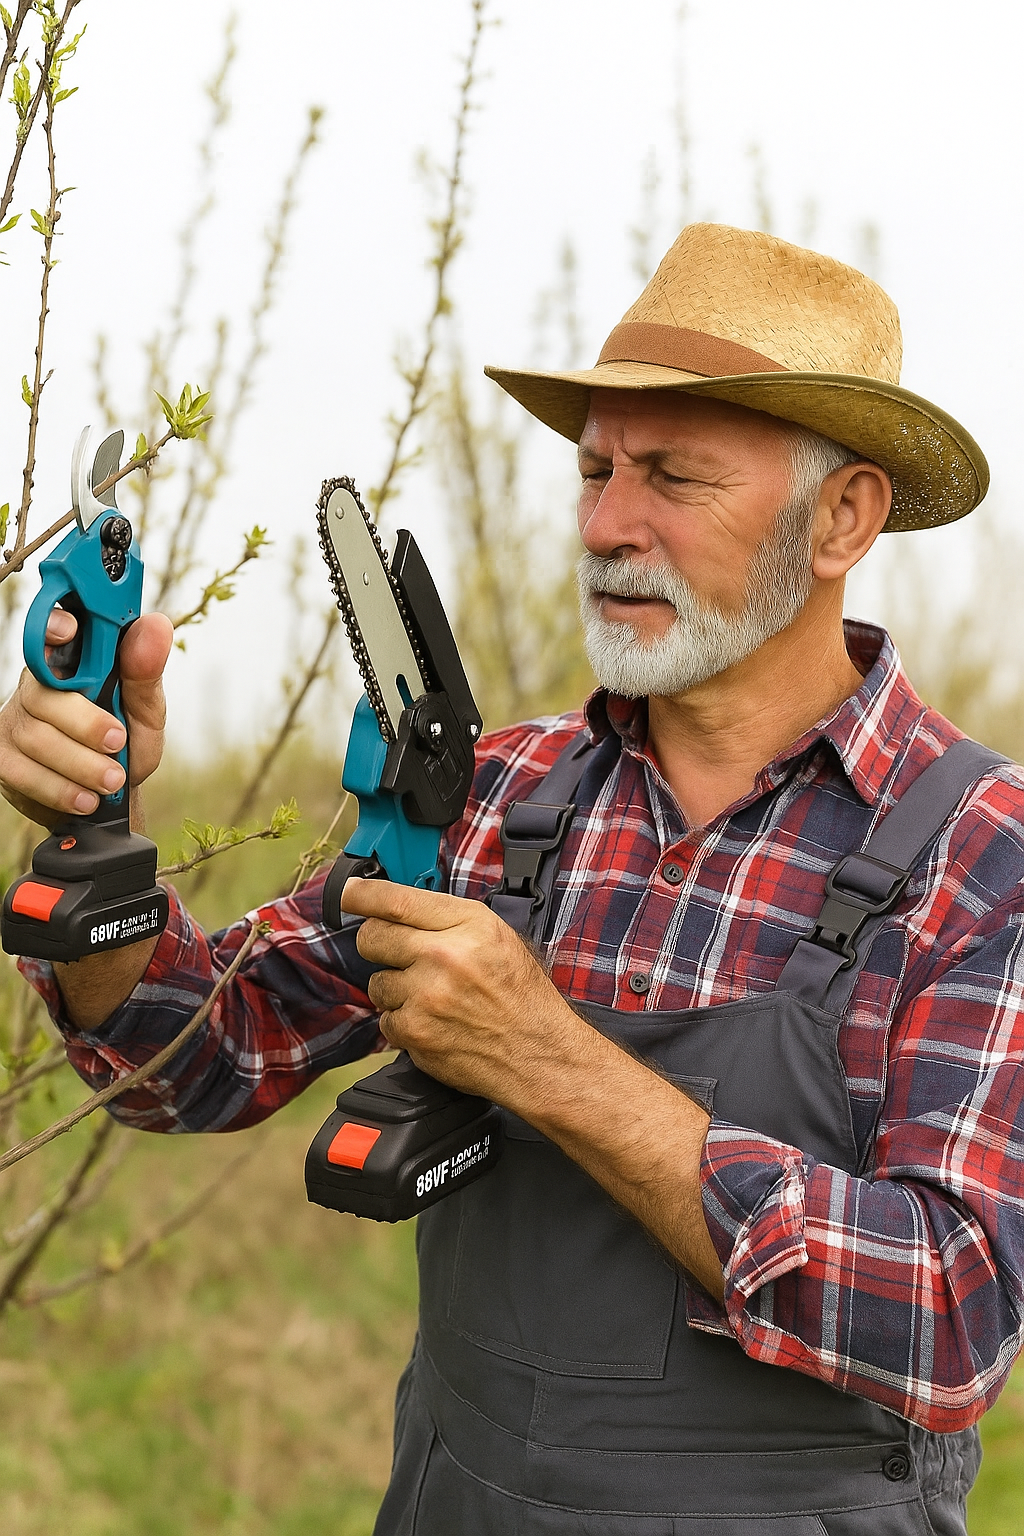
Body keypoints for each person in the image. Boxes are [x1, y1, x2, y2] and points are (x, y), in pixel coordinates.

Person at [2, 222, 1023, 1536]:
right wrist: (103, 835)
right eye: (596, 470)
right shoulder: (499, 792)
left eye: (673, 477)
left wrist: (549, 1061)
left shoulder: (981, 857)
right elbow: (195, 1052)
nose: (606, 524)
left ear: (844, 516)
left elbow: (951, 1318)